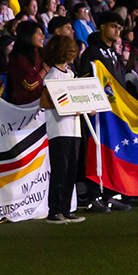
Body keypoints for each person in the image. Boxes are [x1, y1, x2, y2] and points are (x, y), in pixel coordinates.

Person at [38, 30, 86, 224]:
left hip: (74, 129)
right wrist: (67, 107)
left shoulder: (71, 74)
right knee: (60, 171)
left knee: (70, 171)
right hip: (59, 129)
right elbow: (44, 102)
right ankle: (55, 210)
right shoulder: (52, 76)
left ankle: (65, 209)